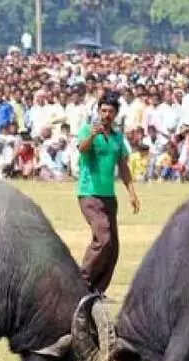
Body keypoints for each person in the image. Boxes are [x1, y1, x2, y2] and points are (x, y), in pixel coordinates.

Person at [76, 91, 140, 293]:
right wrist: (93, 136)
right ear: (98, 111)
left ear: (116, 114)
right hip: (89, 193)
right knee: (103, 239)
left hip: (109, 196)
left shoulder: (118, 138)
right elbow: (82, 149)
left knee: (113, 248)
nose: (106, 115)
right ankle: (81, 281)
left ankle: (97, 290)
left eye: (110, 111)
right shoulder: (87, 130)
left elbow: (123, 166)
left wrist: (132, 193)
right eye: (103, 110)